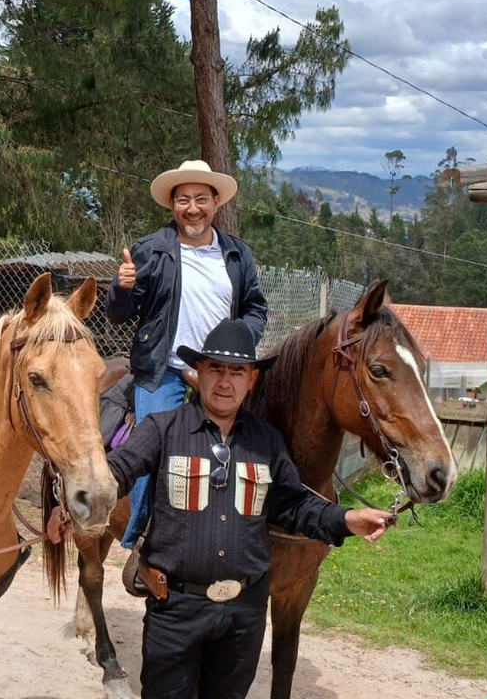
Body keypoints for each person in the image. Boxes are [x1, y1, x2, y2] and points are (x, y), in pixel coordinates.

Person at [107, 319, 393, 699]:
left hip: (242, 617)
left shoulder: (267, 442)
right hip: (176, 609)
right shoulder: (162, 429)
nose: (225, 382)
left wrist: (345, 519)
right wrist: (86, 491)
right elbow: (118, 470)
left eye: (237, 372)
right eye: (216, 369)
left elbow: (293, 504)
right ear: (198, 373)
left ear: (252, 380)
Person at [106, 159, 268, 548]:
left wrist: (238, 344)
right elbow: (118, 315)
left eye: (200, 199)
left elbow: (255, 308)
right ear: (172, 205)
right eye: (183, 200)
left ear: (215, 203)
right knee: (151, 450)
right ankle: (143, 538)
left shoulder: (237, 254)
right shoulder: (151, 250)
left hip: (221, 370)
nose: (192, 208)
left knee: (255, 446)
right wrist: (122, 288)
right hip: (165, 368)